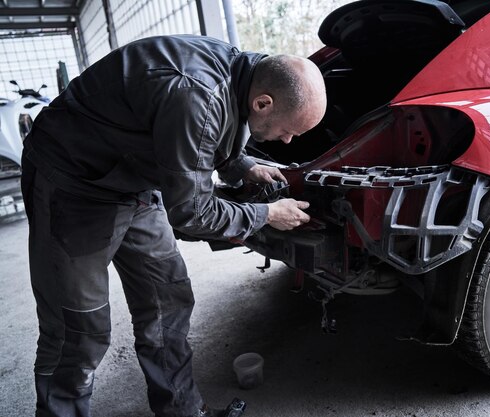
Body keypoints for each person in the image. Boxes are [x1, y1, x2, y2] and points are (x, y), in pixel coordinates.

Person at [21, 35, 327, 417]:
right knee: (78, 331)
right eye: (288, 130)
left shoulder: (241, 73)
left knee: (168, 300)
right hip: (74, 183)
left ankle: (182, 413)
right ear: (263, 102)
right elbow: (192, 212)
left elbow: (208, 135)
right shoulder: (196, 94)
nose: (287, 140)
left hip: (134, 176)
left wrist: (244, 165)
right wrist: (267, 215)